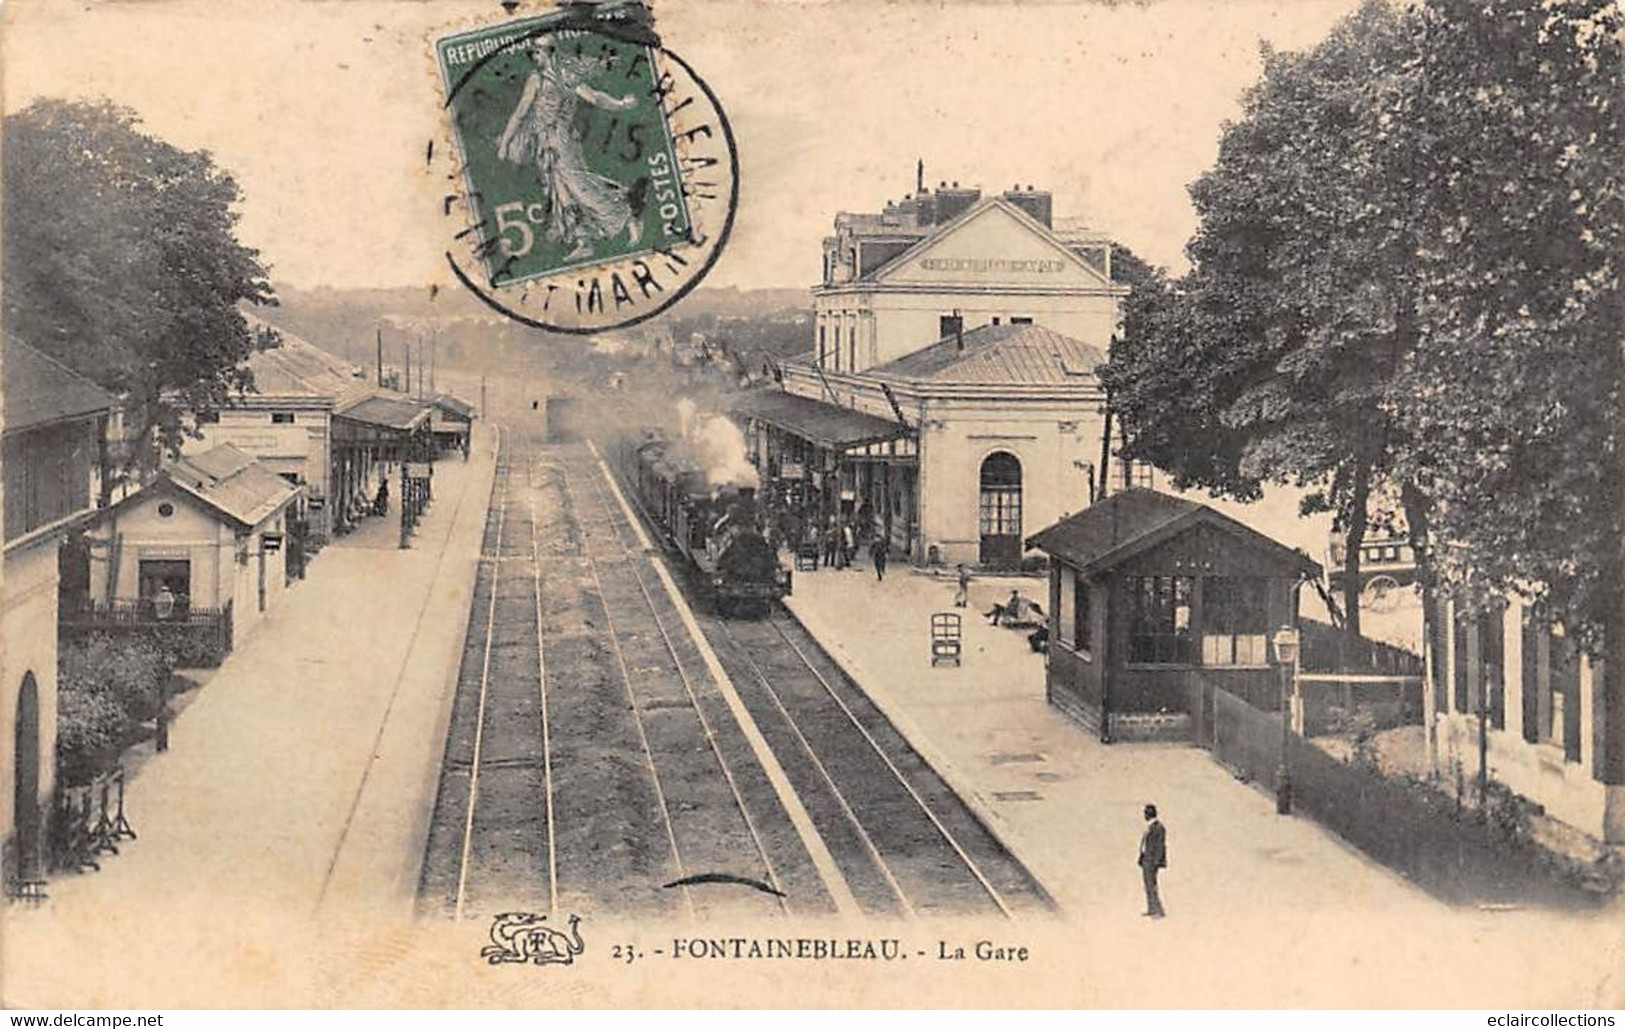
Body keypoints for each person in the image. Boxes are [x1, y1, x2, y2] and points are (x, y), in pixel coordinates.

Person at [496, 37, 641, 260]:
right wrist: (506, 141)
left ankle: (626, 215)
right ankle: (584, 240)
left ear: (550, 53)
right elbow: (521, 112)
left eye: (538, 53)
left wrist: (621, 104)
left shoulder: (566, 76)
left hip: (561, 140)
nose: (535, 58)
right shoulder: (536, 79)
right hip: (544, 144)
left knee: (579, 185)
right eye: (533, 54)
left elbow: (595, 97)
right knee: (562, 195)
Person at [1139, 804, 1167, 918]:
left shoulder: (1158, 827)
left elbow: (1160, 846)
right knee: (1148, 885)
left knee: (1152, 885)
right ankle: (1152, 908)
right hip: (1146, 860)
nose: (1144, 815)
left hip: (1151, 862)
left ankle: (1158, 911)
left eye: (1146, 813)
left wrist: (1156, 861)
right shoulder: (1150, 827)